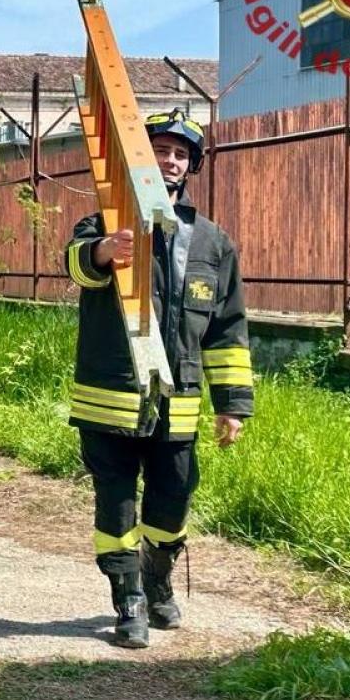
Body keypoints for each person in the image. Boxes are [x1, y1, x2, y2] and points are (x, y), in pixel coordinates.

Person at [62, 110, 254, 649]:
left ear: (191, 165)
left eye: (179, 154)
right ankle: (127, 599)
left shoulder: (212, 243)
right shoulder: (103, 222)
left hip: (179, 404)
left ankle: (157, 578)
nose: (169, 161)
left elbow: (227, 328)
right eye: (159, 150)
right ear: (138, 158)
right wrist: (103, 252)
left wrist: (233, 404)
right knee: (116, 504)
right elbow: (75, 264)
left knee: (173, 501)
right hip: (111, 399)